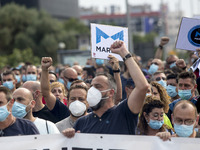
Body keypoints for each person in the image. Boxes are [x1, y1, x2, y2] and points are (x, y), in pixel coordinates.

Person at [63, 40, 149, 137]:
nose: (92, 90)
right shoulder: (81, 123)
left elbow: (142, 87)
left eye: (98, 86)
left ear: (111, 92)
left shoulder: (124, 112)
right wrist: (69, 138)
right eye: (91, 86)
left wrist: (124, 53)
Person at [41, 57, 70, 122]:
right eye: (53, 91)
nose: (57, 94)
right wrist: (45, 69)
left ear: (64, 94)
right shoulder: (46, 109)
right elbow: (45, 92)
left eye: (60, 91)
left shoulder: (68, 107)